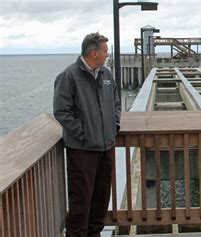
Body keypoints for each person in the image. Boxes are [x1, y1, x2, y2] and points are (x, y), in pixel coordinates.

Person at [53, 32, 121, 237]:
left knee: (101, 197)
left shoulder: (106, 75)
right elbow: (62, 111)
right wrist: (83, 135)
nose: (107, 54)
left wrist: (113, 126)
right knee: (81, 200)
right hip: (82, 150)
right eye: (105, 50)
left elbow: (116, 103)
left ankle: (95, 234)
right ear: (93, 53)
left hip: (106, 146)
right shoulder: (69, 76)